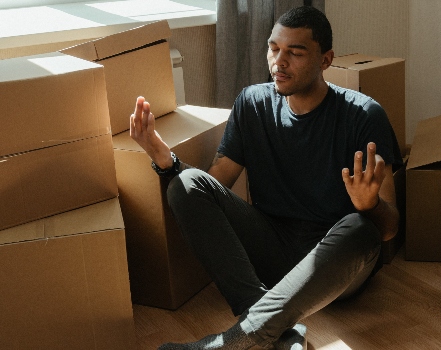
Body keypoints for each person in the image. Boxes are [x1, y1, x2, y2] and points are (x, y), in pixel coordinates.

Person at [129, 6, 402, 350]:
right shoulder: (252, 102)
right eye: (273, 49)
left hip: (335, 266)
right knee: (186, 184)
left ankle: (233, 341)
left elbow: (389, 227)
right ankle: (271, 330)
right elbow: (214, 183)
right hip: (272, 250)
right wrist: (163, 160)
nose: (279, 62)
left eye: (295, 52)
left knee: (362, 228)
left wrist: (369, 205)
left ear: (325, 59)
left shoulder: (364, 115)